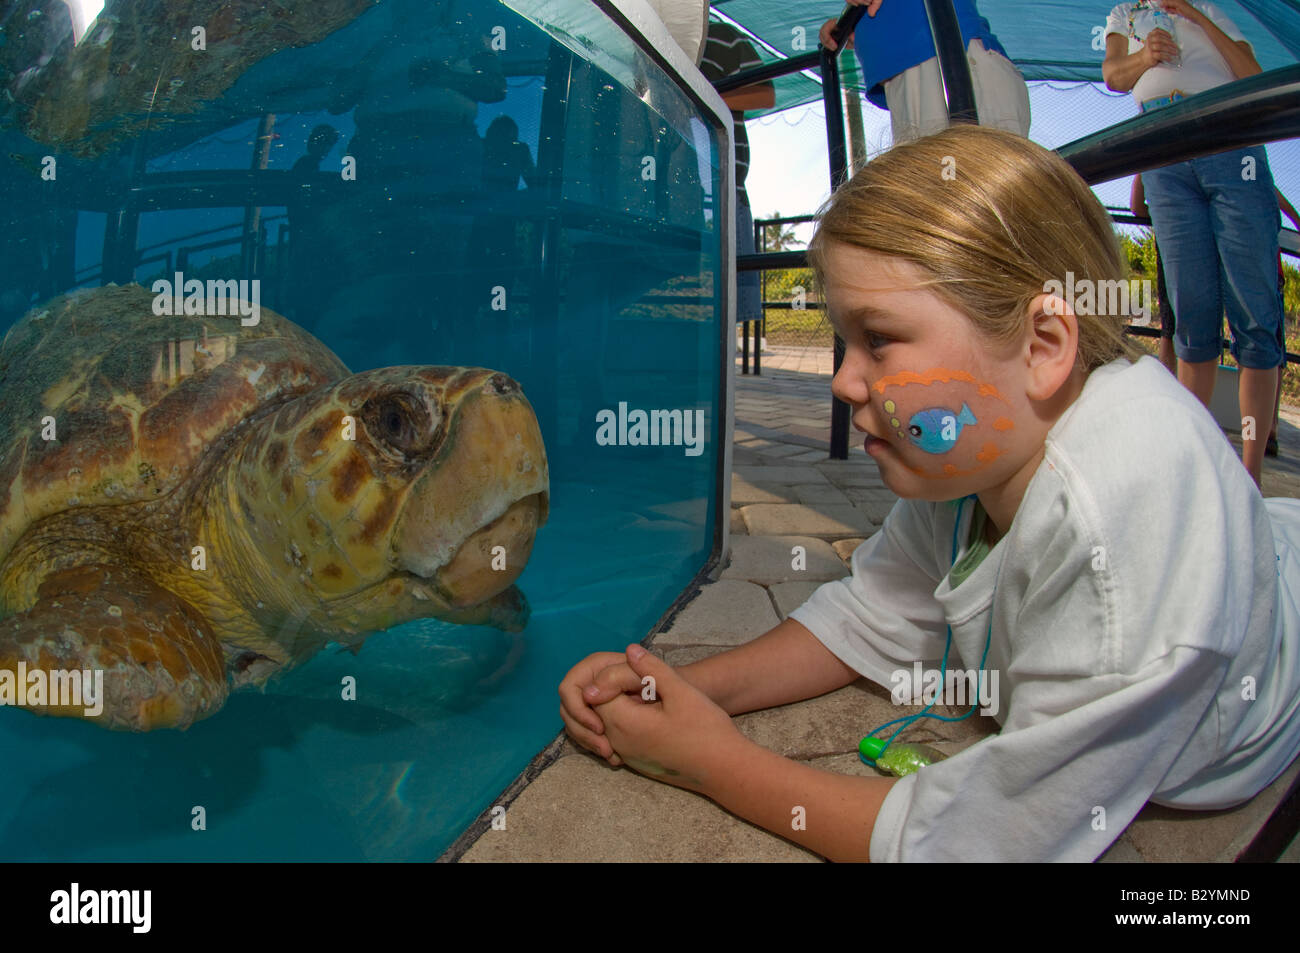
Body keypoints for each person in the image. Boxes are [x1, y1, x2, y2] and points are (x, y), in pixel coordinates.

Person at [558, 125, 1300, 862]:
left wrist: (710, 760)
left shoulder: (1121, 524)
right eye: (843, 341)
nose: (844, 380)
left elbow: (987, 843)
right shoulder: (977, 448)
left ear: (1042, 346)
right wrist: (681, 690)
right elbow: (870, 614)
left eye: (878, 340)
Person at [1104, 0, 1281, 488]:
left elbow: (1251, 73)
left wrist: (1196, 17)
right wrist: (1147, 58)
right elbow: (1114, 76)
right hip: (1165, 149)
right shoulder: (1123, 14)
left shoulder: (1211, 9)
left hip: (1230, 143)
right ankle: (1191, 464)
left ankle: (1250, 472)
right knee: (1191, 310)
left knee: (1253, 309)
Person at [819, 0, 1030, 145]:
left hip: (946, 65)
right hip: (910, 85)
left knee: (968, 192)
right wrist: (850, 27)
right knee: (934, 200)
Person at [699, 19, 775, 334]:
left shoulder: (722, 36)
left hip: (726, 189)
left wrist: (697, 99)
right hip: (672, 193)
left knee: (730, 310)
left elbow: (765, 95)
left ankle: (728, 376)